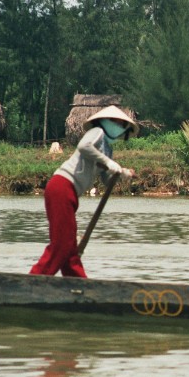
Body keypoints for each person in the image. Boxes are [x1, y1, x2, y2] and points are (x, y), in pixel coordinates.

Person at [29, 105, 138, 277]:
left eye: (122, 126)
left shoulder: (107, 150)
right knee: (62, 244)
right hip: (61, 186)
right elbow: (83, 146)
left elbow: (105, 179)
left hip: (71, 193)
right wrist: (109, 164)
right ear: (105, 122)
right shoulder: (97, 132)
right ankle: (35, 281)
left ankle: (78, 285)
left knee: (70, 249)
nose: (119, 127)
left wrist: (121, 173)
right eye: (116, 123)